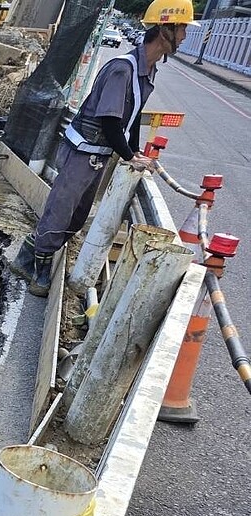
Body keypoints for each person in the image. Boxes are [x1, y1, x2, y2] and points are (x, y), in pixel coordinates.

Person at [11, 0, 194, 297]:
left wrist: (135, 151)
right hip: (82, 152)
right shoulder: (123, 69)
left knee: (77, 217)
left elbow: (130, 119)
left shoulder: (146, 71)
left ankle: (25, 257)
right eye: (183, 28)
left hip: (98, 154)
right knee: (60, 212)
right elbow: (109, 121)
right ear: (165, 28)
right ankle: (40, 272)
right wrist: (128, 156)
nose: (185, 36)